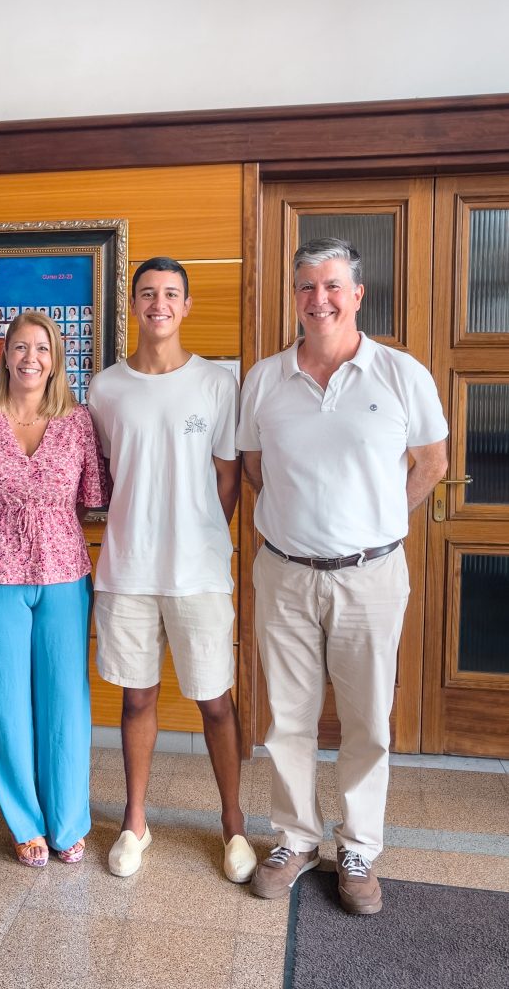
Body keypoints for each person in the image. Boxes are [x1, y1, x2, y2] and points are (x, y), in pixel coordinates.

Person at [236, 237, 448, 915]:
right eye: (306, 286)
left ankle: (358, 848)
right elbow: (254, 467)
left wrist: (380, 521)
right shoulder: (265, 379)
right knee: (288, 721)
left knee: (367, 723)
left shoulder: (401, 374)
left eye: (332, 286)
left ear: (358, 295)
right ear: (295, 297)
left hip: (371, 577)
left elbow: (433, 463)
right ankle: (295, 839)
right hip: (286, 573)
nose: (318, 298)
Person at [87, 256, 255, 883]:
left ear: (187, 306)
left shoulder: (216, 384)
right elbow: (103, 475)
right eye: (148, 293)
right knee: (138, 697)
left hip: (199, 572)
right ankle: (135, 823)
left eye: (171, 294)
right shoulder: (105, 388)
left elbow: (228, 477)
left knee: (215, 701)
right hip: (127, 568)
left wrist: (202, 534)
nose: (159, 303)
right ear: (134, 305)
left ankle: (234, 827)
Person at [0, 310, 107, 868]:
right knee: (4, 701)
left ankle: (67, 821)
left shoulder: (77, 422)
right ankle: (23, 821)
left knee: (65, 701)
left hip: (63, 575)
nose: (30, 358)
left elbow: (88, 500)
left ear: (56, 359)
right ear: (4, 356)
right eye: (20, 348)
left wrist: (43, 534)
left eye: (42, 348)